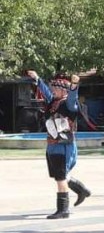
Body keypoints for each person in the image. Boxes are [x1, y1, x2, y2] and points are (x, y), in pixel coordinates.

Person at [27, 70, 91, 219]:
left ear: (63, 91)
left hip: (64, 146)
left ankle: (63, 209)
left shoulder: (69, 104)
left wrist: (74, 85)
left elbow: (73, 95)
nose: (53, 90)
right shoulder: (52, 102)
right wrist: (37, 78)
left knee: (60, 178)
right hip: (52, 144)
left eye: (56, 88)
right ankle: (81, 190)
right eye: (53, 88)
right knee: (59, 175)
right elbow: (45, 92)